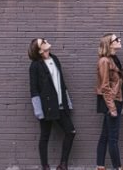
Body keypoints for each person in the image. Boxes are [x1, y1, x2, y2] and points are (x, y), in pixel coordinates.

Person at [28, 38, 75, 170]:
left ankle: (63, 164)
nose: (45, 41)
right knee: (45, 136)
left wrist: (67, 102)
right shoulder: (35, 65)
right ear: (39, 50)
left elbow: (61, 82)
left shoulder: (55, 59)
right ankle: (45, 166)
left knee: (71, 132)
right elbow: (34, 89)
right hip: (46, 107)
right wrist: (38, 111)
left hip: (60, 105)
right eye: (42, 42)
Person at [96, 33, 123, 170]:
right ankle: (118, 167)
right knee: (113, 138)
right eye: (116, 39)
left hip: (114, 100)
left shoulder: (113, 59)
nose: (119, 40)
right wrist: (113, 107)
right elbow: (104, 86)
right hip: (111, 101)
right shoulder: (104, 61)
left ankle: (100, 166)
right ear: (109, 44)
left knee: (105, 135)